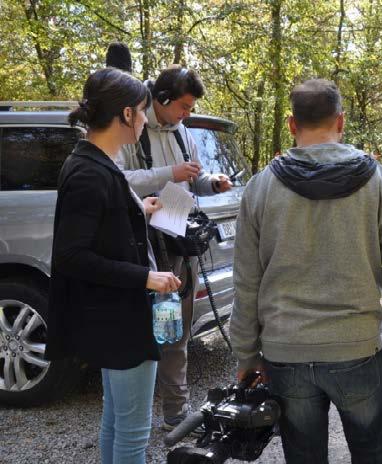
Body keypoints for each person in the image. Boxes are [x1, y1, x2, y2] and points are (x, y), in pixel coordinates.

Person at [230, 79, 382, 463]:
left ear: (291, 125)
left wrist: (246, 352)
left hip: (286, 352)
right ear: (341, 121)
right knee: (372, 453)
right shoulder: (378, 181)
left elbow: (246, 281)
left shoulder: (261, 187)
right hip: (356, 348)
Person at [46, 67, 182, 464]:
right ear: (126, 114)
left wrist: (137, 209)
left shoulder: (96, 162)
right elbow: (72, 256)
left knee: (116, 423)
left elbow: (99, 227)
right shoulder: (89, 172)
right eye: (142, 110)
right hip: (119, 323)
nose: (145, 118)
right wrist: (148, 277)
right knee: (133, 435)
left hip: (111, 319)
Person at [116, 64, 232, 431]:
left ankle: (175, 413)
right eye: (183, 106)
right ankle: (131, 413)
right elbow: (119, 181)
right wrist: (170, 174)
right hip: (145, 248)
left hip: (181, 243)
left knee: (176, 331)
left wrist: (212, 183)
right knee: (146, 330)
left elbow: (192, 179)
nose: (187, 114)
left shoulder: (182, 131)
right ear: (161, 100)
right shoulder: (130, 126)